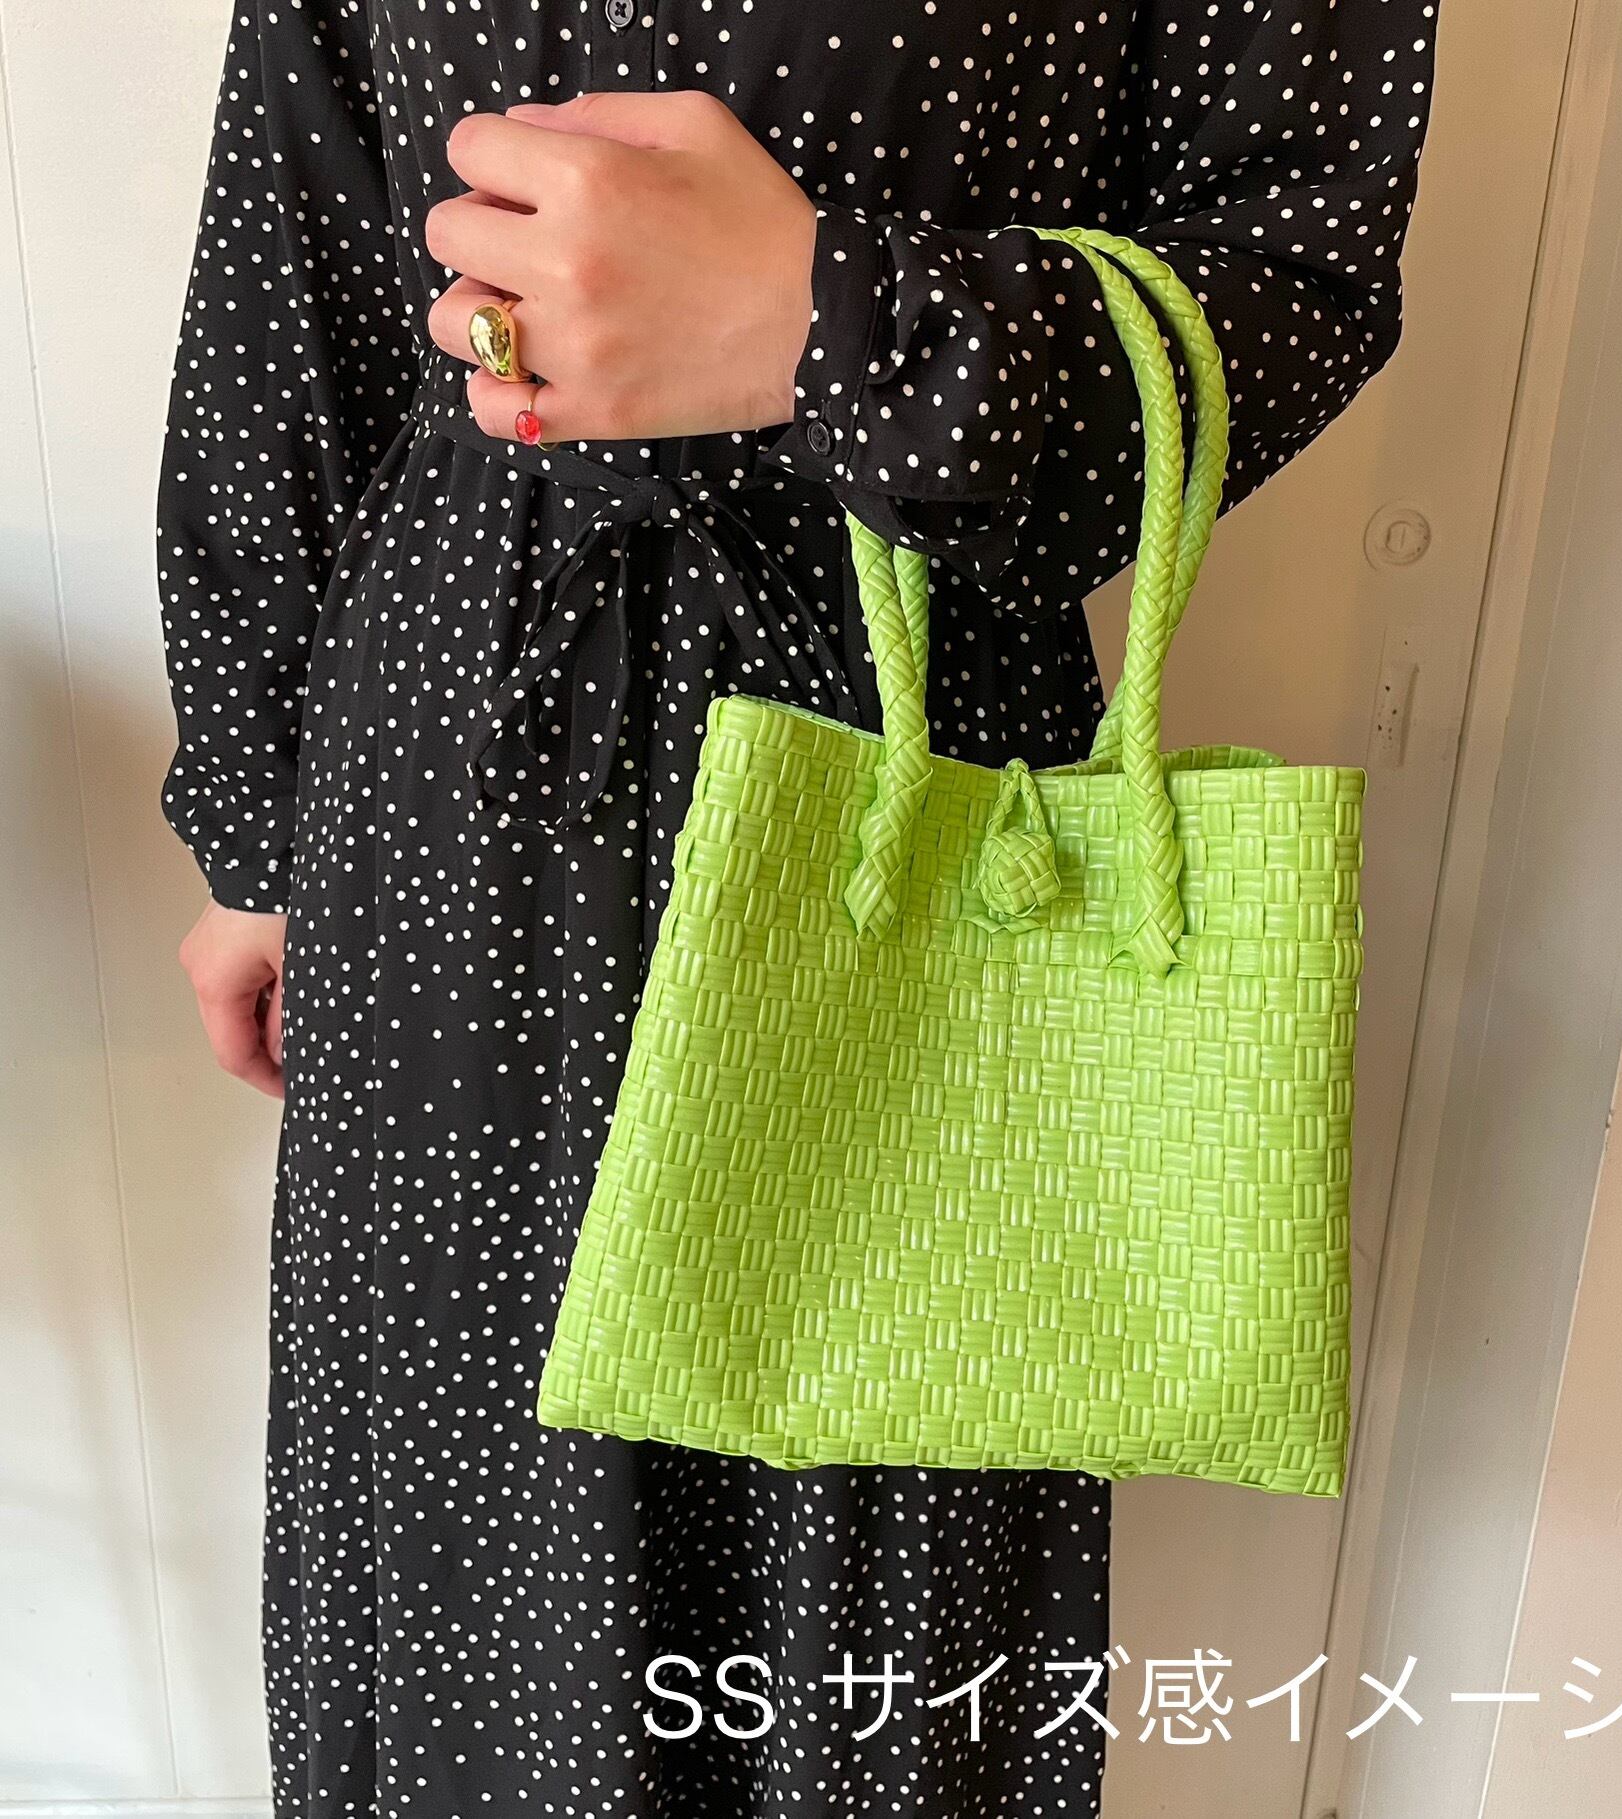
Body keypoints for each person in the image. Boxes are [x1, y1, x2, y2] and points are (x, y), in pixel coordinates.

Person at [160, 3, 1435, 1812]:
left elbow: (1291, 266)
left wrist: (829, 324)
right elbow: (296, 287)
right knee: (471, 1573)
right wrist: (258, 832)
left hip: (903, 764)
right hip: (451, 793)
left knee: (870, 1552)